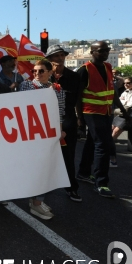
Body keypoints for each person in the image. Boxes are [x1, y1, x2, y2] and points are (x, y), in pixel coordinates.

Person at [76, 41, 131, 198]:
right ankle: (101, 183)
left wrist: (123, 111)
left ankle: (84, 173)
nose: (105, 53)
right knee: (103, 145)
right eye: (101, 51)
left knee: (92, 142)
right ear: (92, 52)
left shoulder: (107, 67)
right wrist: (80, 118)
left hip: (106, 112)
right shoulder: (84, 70)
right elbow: (78, 97)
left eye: (107, 50)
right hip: (91, 112)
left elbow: (112, 92)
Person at [19, 59, 65, 220]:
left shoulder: (58, 89)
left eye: (41, 71)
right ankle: (36, 202)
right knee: (35, 167)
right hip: (31, 133)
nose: (36, 74)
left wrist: (59, 131)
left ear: (50, 72)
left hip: (49, 133)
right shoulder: (27, 85)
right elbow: (23, 105)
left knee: (46, 166)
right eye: (34, 71)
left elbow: (60, 111)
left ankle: (37, 201)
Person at [47, 45, 82, 201]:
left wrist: (80, 118)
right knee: (45, 157)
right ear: (49, 59)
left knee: (68, 156)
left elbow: (78, 100)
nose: (60, 58)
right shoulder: (43, 76)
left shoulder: (74, 77)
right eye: (56, 56)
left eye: (62, 55)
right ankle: (42, 189)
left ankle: (71, 188)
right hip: (45, 122)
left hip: (67, 121)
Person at [110, 76, 132, 166]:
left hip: (129, 116)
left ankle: (112, 159)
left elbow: (129, 106)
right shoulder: (125, 92)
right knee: (111, 131)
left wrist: (121, 105)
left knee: (113, 135)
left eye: (128, 83)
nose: (126, 85)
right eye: (125, 83)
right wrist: (123, 105)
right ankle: (109, 155)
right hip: (121, 114)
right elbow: (120, 102)